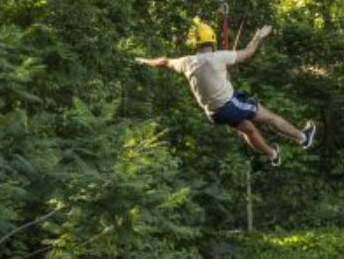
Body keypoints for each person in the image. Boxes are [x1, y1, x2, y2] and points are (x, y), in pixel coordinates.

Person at [135, 19, 316, 166]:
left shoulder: (186, 62)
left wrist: (143, 61)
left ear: (195, 43)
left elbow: (165, 61)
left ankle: (272, 155)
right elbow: (248, 53)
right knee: (270, 118)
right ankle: (303, 137)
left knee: (249, 130)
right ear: (212, 40)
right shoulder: (219, 56)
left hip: (214, 113)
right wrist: (258, 37)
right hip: (229, 105)